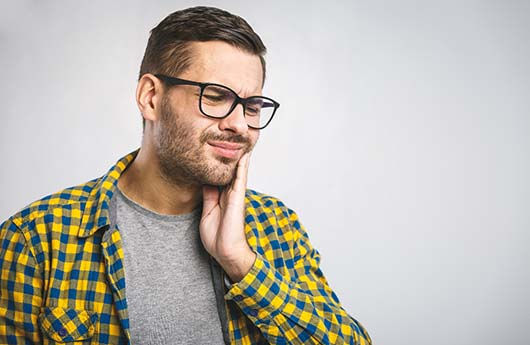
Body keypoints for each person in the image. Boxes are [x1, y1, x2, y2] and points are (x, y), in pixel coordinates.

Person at [0, 6, 371, 345]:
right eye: (215, 96)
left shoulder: (277, 227)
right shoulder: (36, 239)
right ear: (150, 98)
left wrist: (241, 263)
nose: (239, 125)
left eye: (252, 106)